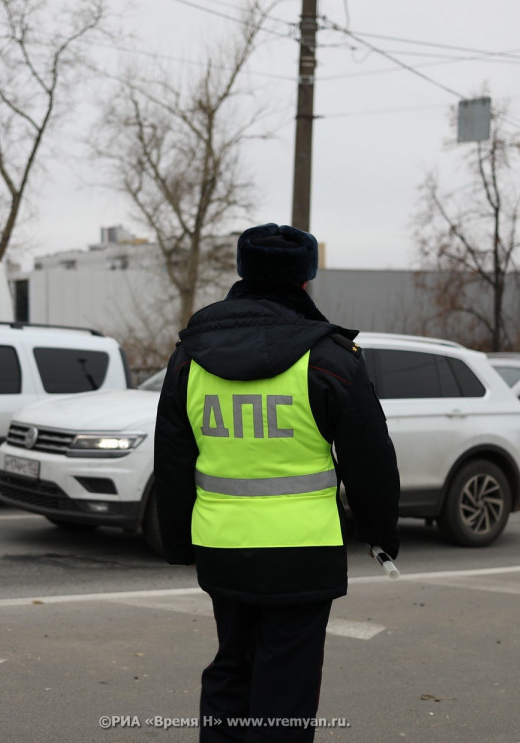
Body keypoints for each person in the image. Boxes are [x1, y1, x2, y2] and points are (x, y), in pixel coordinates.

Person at [154, 222, 400, 741]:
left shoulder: (191, 356)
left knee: (230, 671)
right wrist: (380, 535)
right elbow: (370, 459)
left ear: (242, 272)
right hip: (302, 551)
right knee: (284, 690)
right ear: (304, 282)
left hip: (222, 544)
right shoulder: (331, 358)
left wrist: (178, 542)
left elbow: (173, 458)